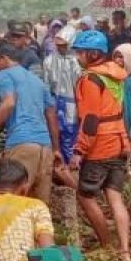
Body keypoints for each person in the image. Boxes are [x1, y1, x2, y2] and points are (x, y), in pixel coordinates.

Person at [0, 43, 59, 203]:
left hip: (22, 143)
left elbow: (8, 103)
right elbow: (51, 115)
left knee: (11, 202)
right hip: (45, 147)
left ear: (4, 58)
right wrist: (56, 148)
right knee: (39, 206)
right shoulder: (37, 81)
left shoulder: (6, 74)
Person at [69, 30, 131, 261]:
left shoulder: (90, 79)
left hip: (100, 145)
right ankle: (125, 251)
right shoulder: (116, 75)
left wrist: (79, 150)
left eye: (81, 52)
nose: (78, 57)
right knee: (115, 196)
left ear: (92, 53)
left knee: (86, 196)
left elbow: (91, 119)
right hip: (119, 141)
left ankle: (107, 246)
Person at [43, 29, 83, 167]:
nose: (60, 47)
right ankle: (61, 165)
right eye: (58, 45)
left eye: (63, 45)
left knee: (71, 133)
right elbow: (47, 85)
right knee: (56, 131)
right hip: (56, 100)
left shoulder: (78, 61)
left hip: (73, 102)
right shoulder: (49, 61)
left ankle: (72, 165)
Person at [112, 43, 131, 140]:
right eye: (115, 57)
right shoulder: (113, 79)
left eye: (121, 57)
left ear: (129, 58)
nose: (117, 61)